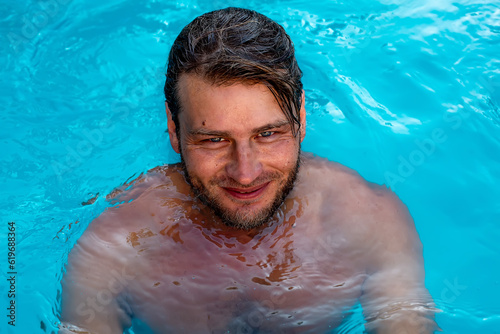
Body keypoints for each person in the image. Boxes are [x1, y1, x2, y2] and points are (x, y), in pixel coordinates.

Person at [60, 7, 438, 334]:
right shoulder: (116, 244)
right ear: (174, 131)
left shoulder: (370, 220)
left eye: (268, 133)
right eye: (213, 140)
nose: (245, 173)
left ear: (302, 118)